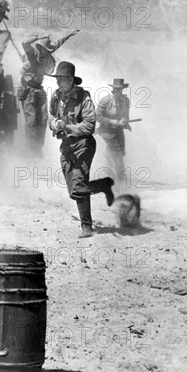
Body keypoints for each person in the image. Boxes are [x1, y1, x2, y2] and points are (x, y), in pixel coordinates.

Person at [47, 61, 115, 239]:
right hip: (66, 146)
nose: (58, 83)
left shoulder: (83, 98)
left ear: (71, 80)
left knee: (78, 184)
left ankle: (87, 227)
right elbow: (51, 116)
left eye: (61, 79)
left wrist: (68, 127)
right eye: (57, 79)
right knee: (74, 190)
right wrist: (55, 124)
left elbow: (89, 126)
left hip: (83, 144)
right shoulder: (56, 97)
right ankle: (102, 185)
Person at [19, 30, 80, 158]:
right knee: (31, 121)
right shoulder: (32, 53)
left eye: (46, 49)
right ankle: (31, 151)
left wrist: (69, 34)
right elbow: (24, 42)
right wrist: (39, 37)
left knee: (43, 120)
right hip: (28, 89)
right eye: (42, 47)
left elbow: (58, 43)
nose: (44, 50)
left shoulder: (47, 55)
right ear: (39, 47)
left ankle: (38, 149)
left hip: (39, 89)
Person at [96, 78, 131, 183]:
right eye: (115, 89)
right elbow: (97, 117)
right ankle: (121, 181)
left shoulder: (125, 100)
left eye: (119, 89)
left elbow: (125, 115)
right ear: (112, 89)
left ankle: (109, 167)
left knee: (121, 152)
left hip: (118, 130)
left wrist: (124, 120)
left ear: (122, 89)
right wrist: (112, 122)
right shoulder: (105, 100)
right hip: (106, 130)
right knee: (117, 153)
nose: (117, 91)